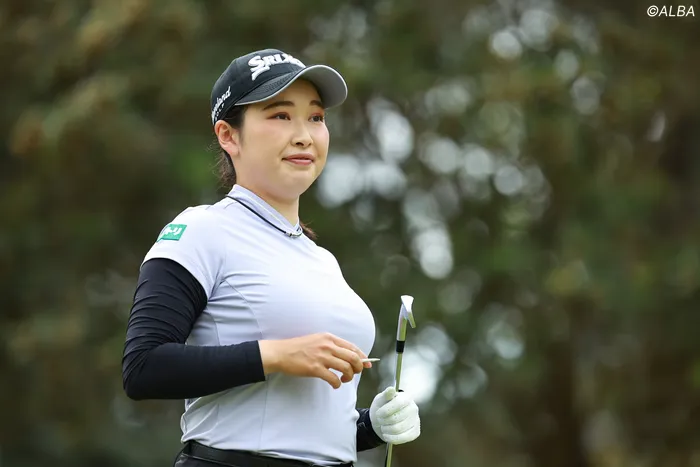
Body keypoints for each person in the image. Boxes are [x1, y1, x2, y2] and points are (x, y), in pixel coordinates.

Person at [121, 48, 421, 467]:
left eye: (315, 117)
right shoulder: (201, 230)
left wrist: (370, 426)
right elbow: (143, 367)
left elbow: (296, 428)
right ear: (229, 136)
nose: (304, 135)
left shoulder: (322, 260)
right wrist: (277, 355)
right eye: (281, 115)